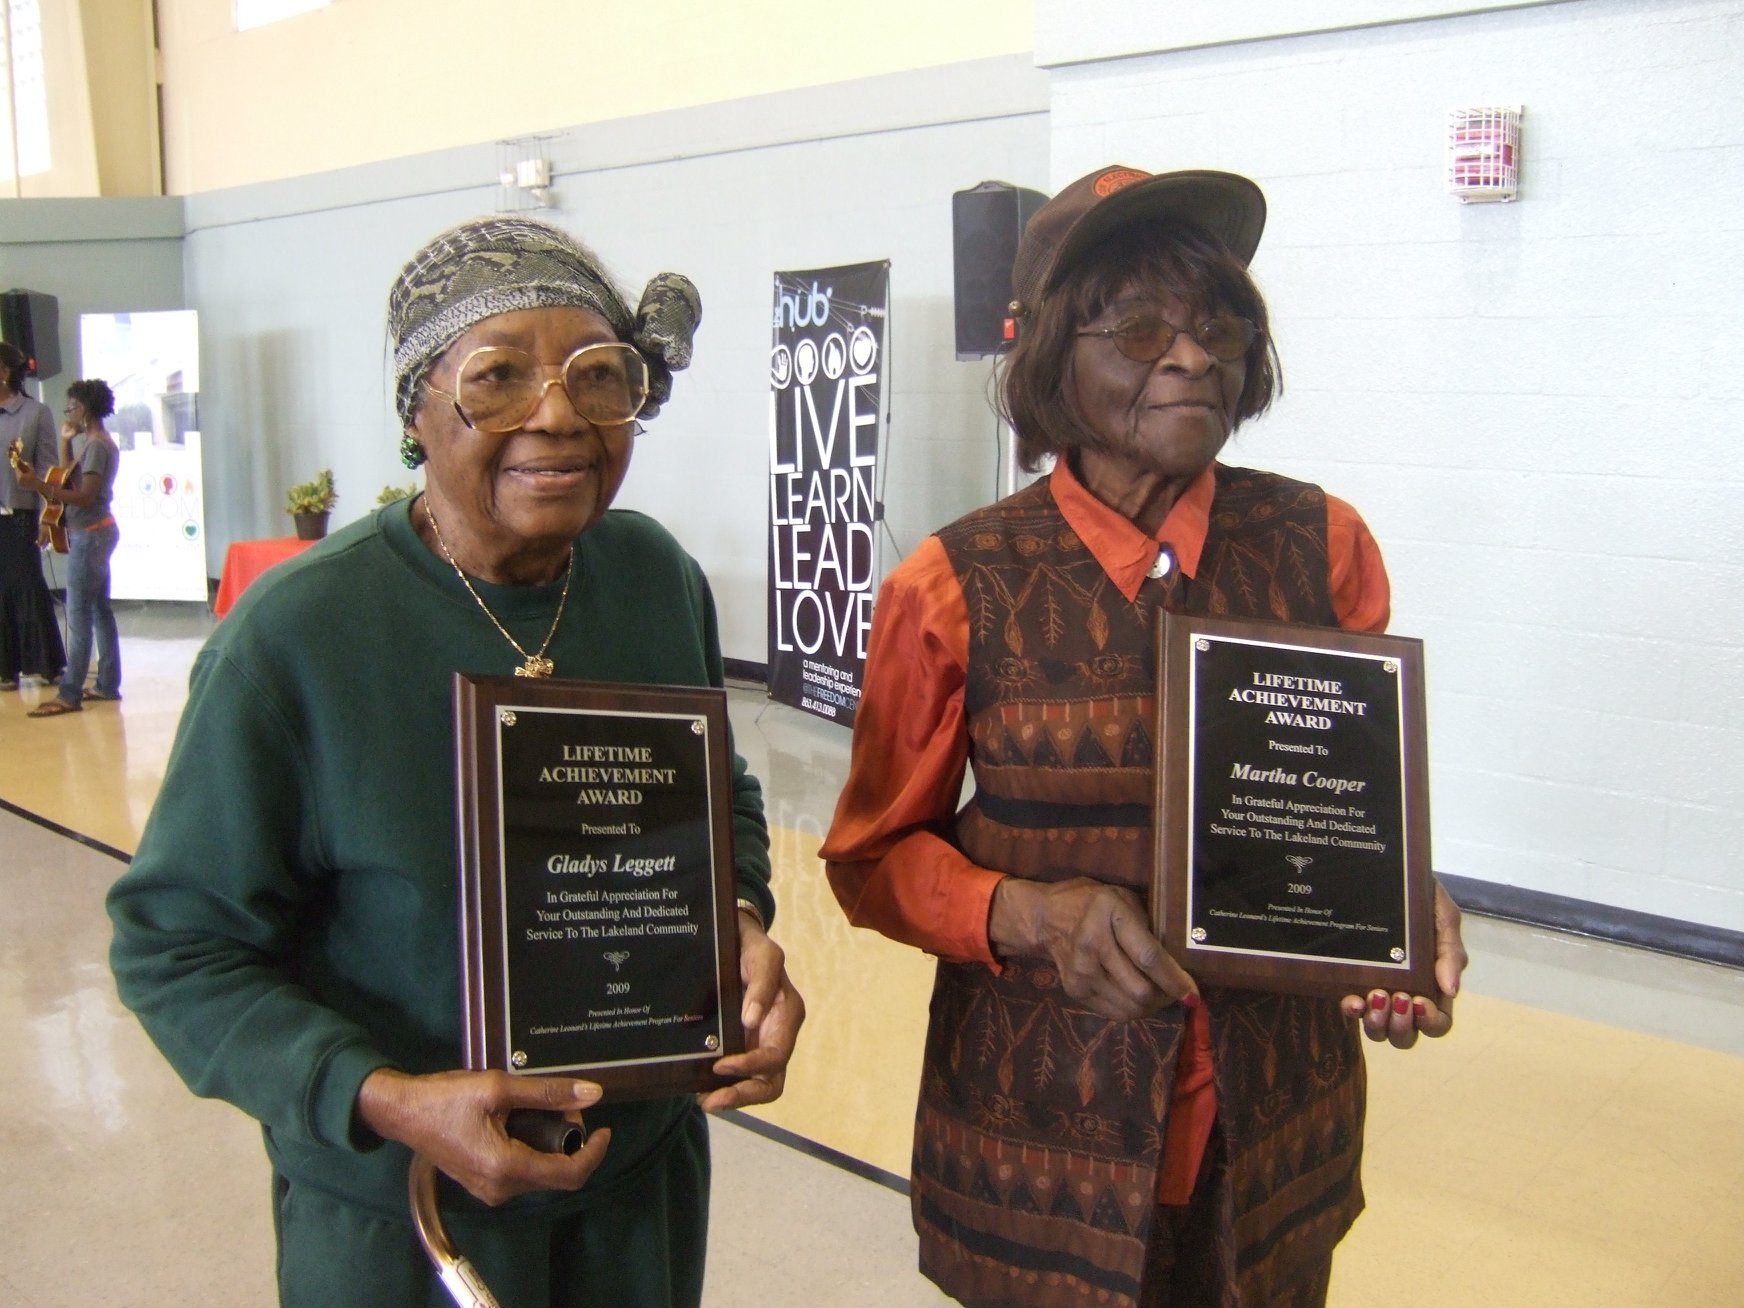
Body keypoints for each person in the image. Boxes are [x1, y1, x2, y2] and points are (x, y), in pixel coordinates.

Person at [107, 216, 805, 1307]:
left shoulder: (650, 578)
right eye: (498, 378)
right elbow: (174, 951)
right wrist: (379, 1096)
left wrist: (741, 919)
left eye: (597, 376)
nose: (558, 417)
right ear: (416, 413)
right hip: (407, 1222)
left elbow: (718, 795)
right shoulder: (300, 638)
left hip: (636, 1203)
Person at [820, 166, 1467, 1308]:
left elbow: (1356, 812)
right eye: (1139, 328)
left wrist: (1401, 910)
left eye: (1218, 325)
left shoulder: (1321, 545)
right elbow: (871, 862)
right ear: (1052, 357)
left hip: (1273, 1122)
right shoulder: (953, 583)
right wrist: (1023, 912)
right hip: (1041, 1142)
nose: (1192, 355)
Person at [17, 378, 122, 716]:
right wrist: (65, 443)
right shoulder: (94, 443)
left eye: (72, 407)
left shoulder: (97, 447)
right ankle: (106, 683)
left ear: (85, 410)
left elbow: (82, 496)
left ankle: (70, 693)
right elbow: (69, 477)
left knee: (78, 615)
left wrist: (37, 486)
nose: (68, 413)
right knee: (100, 610)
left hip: (90, 535)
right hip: (96, 531)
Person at [0, 341, 66, 692]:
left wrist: (47, 516)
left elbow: (49, 468)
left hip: (20, 513)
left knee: (26, 585)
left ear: (5, 372)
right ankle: (4, 668)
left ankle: (45, 662)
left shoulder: (35, 413)